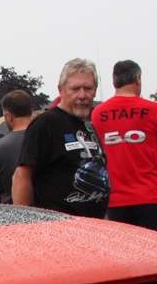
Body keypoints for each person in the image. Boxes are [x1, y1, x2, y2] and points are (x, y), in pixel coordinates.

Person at [12, 59, 109, 217]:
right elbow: (21, 175)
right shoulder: (46, 124)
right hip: (59, 228)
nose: (82, 95)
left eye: (88, 88)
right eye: (75, 89)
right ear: (61, 90)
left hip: (94, 228)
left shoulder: (89, 126)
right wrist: (21, 225)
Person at [91, 60, 157, 233]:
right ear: (138, 78)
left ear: (114, 81)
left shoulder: (98, 113)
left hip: (114, 200)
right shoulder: (154, 109)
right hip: (150, 198)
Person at [0, 90, 35, 203]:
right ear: (31, 111)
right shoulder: (46, 139)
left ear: (9, 116)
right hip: (48, 210)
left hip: (12, 211)